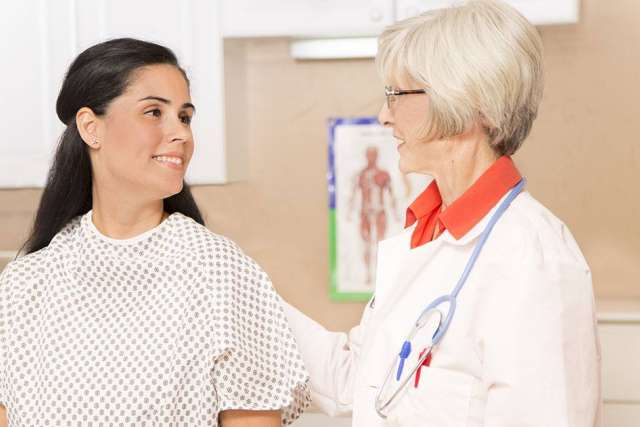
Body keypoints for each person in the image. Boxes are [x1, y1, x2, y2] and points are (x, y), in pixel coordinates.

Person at [283, 1, 602, 426]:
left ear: (468, 102)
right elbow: (354, 383)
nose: (383, 115)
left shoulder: (532, 255)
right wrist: (238, 286)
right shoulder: (427, 232)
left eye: (398, 95)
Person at [0, 38, 310, 426]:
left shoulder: (220, 272)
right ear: (90, 127)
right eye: (153, 112)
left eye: (184, 117)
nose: (180, 133)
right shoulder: (26, 284)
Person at [347, 146, 397, 284]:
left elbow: (391, 194)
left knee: (381, 243)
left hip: (380, 211)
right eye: (369, 155)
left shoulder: (383, 174)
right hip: (365, 212)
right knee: (367, 244)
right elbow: (353, 194)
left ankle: (380, 275)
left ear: (377, 156)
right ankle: (368, 274)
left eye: (373, 155)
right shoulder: (360, 175)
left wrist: (396, 213)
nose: (371, 157)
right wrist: (349, 212)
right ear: (365, 156)